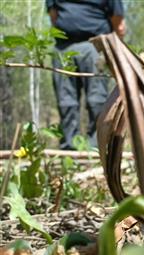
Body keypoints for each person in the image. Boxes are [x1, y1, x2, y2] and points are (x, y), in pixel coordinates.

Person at [46, 0, 126, 150]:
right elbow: (53, 15)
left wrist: (115, 48)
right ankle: (69, 149)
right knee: (66, 101)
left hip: (95, 45)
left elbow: (117, 19)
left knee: (97, 99)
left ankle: (97, 148)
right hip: (63, 47)